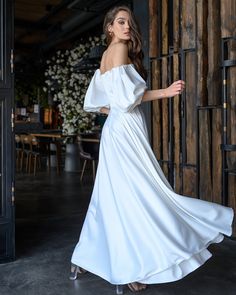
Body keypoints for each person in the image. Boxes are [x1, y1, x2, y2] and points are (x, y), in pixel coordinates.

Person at [70, 5, 234, 294]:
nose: (126, 27)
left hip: (117, 130)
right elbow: (128, 100)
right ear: (109, 27)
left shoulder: (105, 59)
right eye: (120, 22)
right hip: (126, 131)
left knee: (115, 195)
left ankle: (91, 257)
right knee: (142, 193)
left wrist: (119, 116)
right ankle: (132, 266)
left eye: (129, 23)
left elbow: (98, 103)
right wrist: (166, 92)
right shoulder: (118, 50)